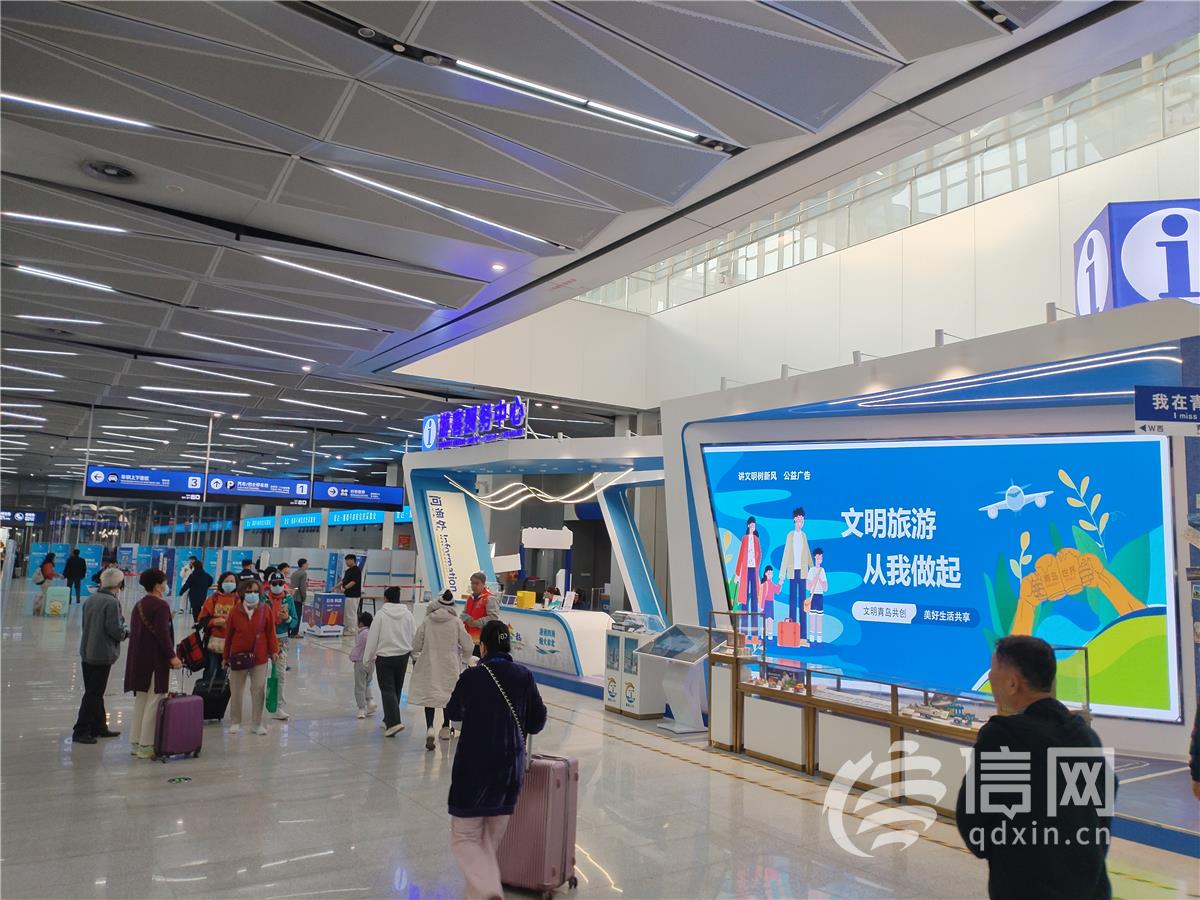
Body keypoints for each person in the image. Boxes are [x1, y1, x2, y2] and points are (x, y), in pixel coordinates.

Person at [956, 635, 1113, 900]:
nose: (990, 679)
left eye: (992, 672)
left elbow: (974, 820)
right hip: (1088, 888)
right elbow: (1102, 813)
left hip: (1026, 886)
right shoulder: (1084, 736)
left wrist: (1004, 853)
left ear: (1012, 683)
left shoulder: (1002, 737)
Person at [446, 620, 547, 900]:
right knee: (488, 844)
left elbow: (453, 712)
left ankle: (490, 892)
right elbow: (537, 722)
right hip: (509, 774)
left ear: (483, 647)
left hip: (473, 772)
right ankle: (479, 894)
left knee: (465, 837)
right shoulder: (524, 676)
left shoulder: (472, 676)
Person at [123, 569, 182, 759]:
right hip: (155, 661)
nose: (166, 585)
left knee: (141, 701)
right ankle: (147, 744)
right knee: (154, 701)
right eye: (164, 582)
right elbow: (163, 635)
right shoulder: (161, 606)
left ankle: (135, 742)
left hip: (139, 660)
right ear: (157, 586)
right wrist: (172, 656)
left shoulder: (139, 605)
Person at [410, 589, 475, 750]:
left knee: (430, 696)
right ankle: (446, 727)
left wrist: (416, 656)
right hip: (449, 664)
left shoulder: (427, 620)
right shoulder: (456, 622)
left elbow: (416, 644)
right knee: (448, 696)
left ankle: (430, 728)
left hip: (429, 663)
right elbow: (468, 645)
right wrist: (465, 657)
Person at [72, 566, 128, 744]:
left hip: (87, 650)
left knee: (94, 690)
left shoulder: (91, 599)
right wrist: (126, 633)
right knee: (94, 693)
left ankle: (99, 726)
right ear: (119, 584)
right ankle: (81, 729)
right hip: (102, 653)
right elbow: (115, 630)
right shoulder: (111, 603)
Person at [222, 580, 279, 735]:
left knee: (258, 690)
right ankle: (235, 721)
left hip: (259, 657)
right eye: (248, 592)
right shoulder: (235, 611)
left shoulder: (265, 610)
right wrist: (226, 656)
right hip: (238, 657)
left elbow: (271, 633)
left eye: (255, 591)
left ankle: (257, 724)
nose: (252, 594)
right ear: (242, 593)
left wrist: (274, 651)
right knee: (236, 690)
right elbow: (229, 636)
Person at [363, 585, 414, 737]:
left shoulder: (380, 615)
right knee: (396, 689)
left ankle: (394, 723)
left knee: (387, 689)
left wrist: (367, 658)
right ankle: (388, 719)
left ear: (386, 599)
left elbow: (373, 638)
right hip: (403, 656)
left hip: (385, 657)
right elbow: (413, 634)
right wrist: (414, 655)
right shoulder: (408, 614)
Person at [197, 572, 239, 682]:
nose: (229, 583)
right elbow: (202, 620)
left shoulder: (239, 600)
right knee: (211, 669)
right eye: (227, 581)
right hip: (213, 641)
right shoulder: (213, 599)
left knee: (224, 672)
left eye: (232, 581)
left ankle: (220, 691)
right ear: (221, 583)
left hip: (230, 643)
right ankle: (207, 690)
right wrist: (214, 622)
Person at [266, 573, 296, 721]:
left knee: (280, 674)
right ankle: (261, 705)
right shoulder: (263, 599)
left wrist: (288, 618)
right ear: (269, 584)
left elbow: (295, 622)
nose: (277, 586)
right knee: (261, 675)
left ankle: (279, 707)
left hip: (281, 640)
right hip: (264, 639)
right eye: (274, 583)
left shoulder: (288, 599)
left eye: (280, 583)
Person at [780, 507, 812, 630]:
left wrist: (813, 571)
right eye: (799, 519)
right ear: (794, 520)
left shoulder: (804, 535)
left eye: (802, 520)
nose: (801, 522)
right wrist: (782, 576)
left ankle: (803, 634)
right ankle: (792, 631)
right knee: (792, 602)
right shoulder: (790, 535)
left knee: (803, 603)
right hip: (792, 572)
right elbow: (786, 554)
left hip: (803, 573)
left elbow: (808, 554)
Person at [732, 517, 761, 631]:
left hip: (753, 570)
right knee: (744, 599)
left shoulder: (756, 539)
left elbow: (759, 554)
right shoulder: (744, 538)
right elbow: (740, 555)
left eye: (754, 525)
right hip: (745, 570)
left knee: (754, 598)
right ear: (748, 525)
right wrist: (737, 573)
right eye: (752, 525)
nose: (753, 526)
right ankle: (743, 630)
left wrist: (756, 565)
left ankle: (754, 630)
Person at [461, 572, 498, 655]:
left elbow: (493, 618)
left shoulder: (490, 598)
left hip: (482, 641)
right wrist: (466, 619)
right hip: (468, 639)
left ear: (483, 584)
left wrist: (476, 623)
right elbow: (463, 614)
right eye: (472, 583)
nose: (474, 586)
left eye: (476, 583)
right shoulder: (470, 598)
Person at [350, 611, 377, 719]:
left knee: (359, 686)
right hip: (372, 662)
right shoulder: (372, 632)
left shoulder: (362, 634)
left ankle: (361, 708)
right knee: (367, 683)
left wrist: (352, 657)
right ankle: (370, 702)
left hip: (361, 662)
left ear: (361, 623)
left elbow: (359, 648)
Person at [805, 548, 828, 644]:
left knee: (819, 617)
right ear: (815, 557)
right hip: (813, 596)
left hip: (820, 596)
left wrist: (820, 580)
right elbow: (807, 586)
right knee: (812, 616)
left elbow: (825, 588)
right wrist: (814, 579)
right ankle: (811, 638)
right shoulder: (811, 570)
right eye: (818, 557)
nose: (820, 559)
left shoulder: (822, 570)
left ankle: (819, 638)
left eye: (821, 557)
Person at [181, 556, 214, 622]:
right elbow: (211, 580)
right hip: (202, 594)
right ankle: (199, 621)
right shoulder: (206, 575)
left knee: (195, 609)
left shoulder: (193, 575)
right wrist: (206, 585)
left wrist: (181, 591)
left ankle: (197, 622)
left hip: (193, 594)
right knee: (199, 608)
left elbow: (187, 584)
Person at [338, 554, 363, 618]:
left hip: (353, 596)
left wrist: (345, 588)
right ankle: (347, 625)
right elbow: (343, 581)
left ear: (352, 560)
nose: (346, 562)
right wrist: (334, 587)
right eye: (345, 560)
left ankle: (352, 625)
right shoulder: (348, 570)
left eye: (347, 560)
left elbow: (353, 582)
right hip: (347, 595)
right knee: (346, 614)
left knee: (351, 614)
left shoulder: (356, 570)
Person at [289, 558, 309, 639]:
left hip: (292, 596)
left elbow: (294, 586)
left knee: (292, 614)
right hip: (298, 597)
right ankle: (294, 633)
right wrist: (304, 597)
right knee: (297, 615)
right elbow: (302, 587)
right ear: (303, 564)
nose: (308, 565)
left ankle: (289, 631)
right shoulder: (303, 573)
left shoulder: (295, 573)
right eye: (307, 564)